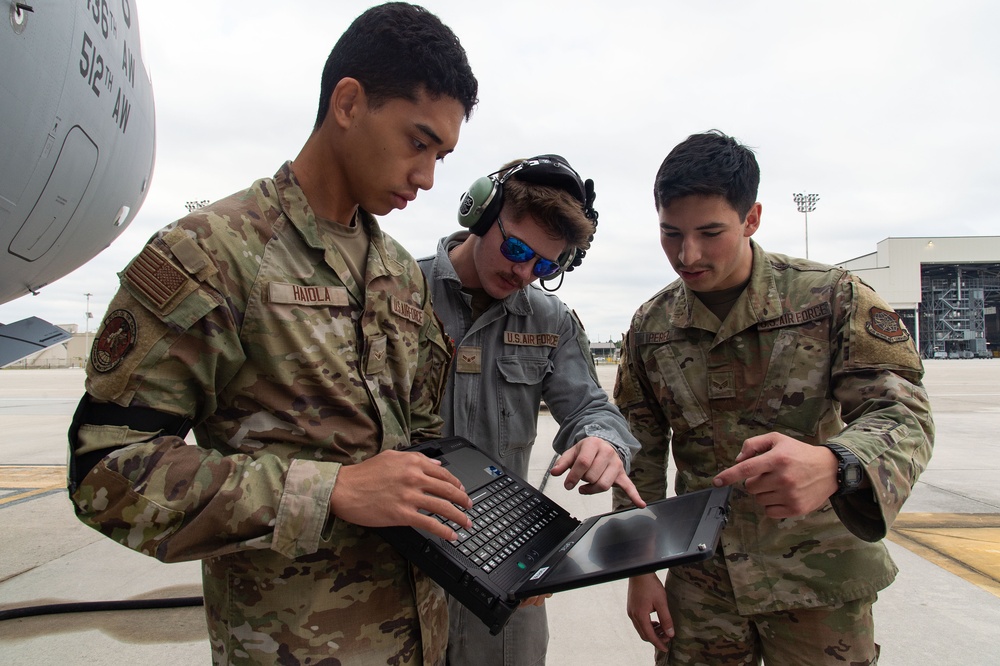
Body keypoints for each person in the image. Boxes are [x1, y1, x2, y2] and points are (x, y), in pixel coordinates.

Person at [66, 4, 479, 664]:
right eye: (418, 142)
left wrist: (491, 541)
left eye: (442, 154)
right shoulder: (214, 253)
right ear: (348, 104)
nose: (427, 176)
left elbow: (418, 444)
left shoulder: (401, 273)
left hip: (420, 639)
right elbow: (108, 471)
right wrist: (331, 490)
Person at [612, 131, 934, 665]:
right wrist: (638, 568)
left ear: (751, 218)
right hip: (702, 583)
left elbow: (902, 413)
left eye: (709, 232)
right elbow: (636, 452)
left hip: (818, 581)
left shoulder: (831, 298)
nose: (686, 254)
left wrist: (837, 463)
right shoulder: (652, 324)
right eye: (671, 234)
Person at [418, 154, 646, 666]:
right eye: (516, 249)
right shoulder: (396, 293)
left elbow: (591, 406)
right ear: (481, 215)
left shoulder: (550, 319)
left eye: (545, 266)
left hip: (506, 572)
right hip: (403, 567)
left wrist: (602, 440)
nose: (523, 272)